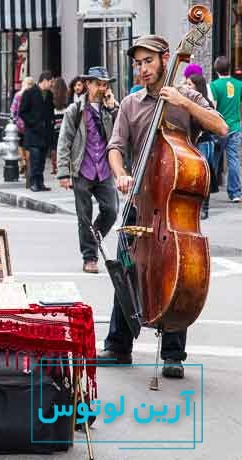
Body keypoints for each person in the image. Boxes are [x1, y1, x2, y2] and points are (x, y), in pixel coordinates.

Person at [97, 35, 228, 378]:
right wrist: (121, 174)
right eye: (137, 63)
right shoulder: (130, 104)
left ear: (166, 59)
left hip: (171, 207)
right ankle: (118, 345)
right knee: (126, 270)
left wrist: (184, 103)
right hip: (140, 201)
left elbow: (221, 126)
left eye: (148, 61)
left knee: (177, 269)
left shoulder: (187, 96)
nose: (142, 69)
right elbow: (115, 147)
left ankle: (172, 353)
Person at [56, 67, 120, 274]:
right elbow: (64, 141)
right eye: (98, 84)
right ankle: (90, 257)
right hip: (82, 169)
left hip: (104, 169)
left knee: (111, 210)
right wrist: (63, 173)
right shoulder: (75, 110)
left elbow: (122, 132)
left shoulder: (111, 108)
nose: (102, 88)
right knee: (84, 217)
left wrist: (113, 108)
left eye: (105, 84)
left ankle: (93, 238)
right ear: (88, 84)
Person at [210, 56, 242, 203]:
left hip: (219, 129)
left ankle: (208, 190)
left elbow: (213, 108)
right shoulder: (239, 84)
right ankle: (235, 193)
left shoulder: (214, 86)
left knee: (213, 160)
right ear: (229, 68)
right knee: (233, 159)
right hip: (235, 127)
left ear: (216, 69)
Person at [187, 73, 218, 220]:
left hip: (204, 142)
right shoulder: (186, 101)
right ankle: (195, 206)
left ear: (197, 86)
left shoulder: (205, 103)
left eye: (190, 84)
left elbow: (212, 125)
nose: (187, 87)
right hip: (191, 143)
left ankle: (204, 208)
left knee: (203, 176)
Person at [19, 71, 55, 192]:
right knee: (35, 159)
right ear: (44, 80)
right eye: (50, 82)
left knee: (42, 160)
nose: (52, 84)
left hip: (45, 133)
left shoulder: (49, 95)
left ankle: (40, 183)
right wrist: (33, 123)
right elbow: (22, 112)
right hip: (33, 133)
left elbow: (50, 111)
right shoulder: (29, 93)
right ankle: (33, 183)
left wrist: (51, 124)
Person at [10, 77, 34, 176]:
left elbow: (13, 110)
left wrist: (15, 120)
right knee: (27, 146)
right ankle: (28, 168)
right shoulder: (33, 96)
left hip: (19, 124)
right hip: (29, 125)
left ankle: (22, 161)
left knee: (19, 144)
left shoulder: (18, 95)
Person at [49, 77, 68, 175]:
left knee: (54, 147)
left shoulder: (52, 97)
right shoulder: (66, 96)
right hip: (63, 125)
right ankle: (62, 166)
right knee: (63, 147)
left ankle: (54, 167)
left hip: (55, 124)